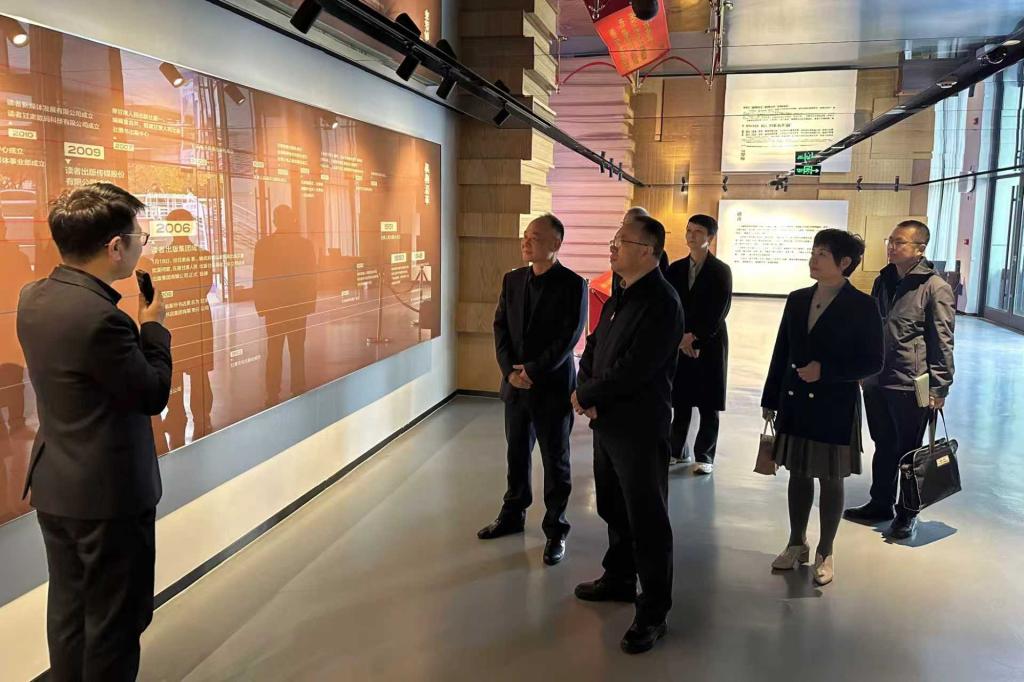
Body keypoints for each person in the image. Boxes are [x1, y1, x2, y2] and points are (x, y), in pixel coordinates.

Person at [17, 183, 172, 680]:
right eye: (139, 238)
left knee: (69, 613)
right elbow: (152, 394)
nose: (140, 246)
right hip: (107, 497)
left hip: (56, 485)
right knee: (115, 624)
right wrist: (154, 327)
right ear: (115, 247)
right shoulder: (103, 319)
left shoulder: (32, 297)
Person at [572, 214, 684, 654]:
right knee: (614, 506)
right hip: (607, 421)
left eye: (622, 241)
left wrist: (588, 394)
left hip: (639, 426)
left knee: (647, 520)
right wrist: (583, 389)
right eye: (614, 239)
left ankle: (653, 612)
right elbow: (595, 347)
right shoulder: (622, 291)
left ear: (648, 251)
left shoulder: (662, 302)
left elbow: (635, 369)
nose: (613, 247)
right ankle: (619, 577)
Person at [761, 230, 883, 586]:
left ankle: (826, 550)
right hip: (795, 398)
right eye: (813, 252)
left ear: (844, 263)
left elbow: (873, 361)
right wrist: (770, 398)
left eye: (822, 254)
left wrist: (825, 371)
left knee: (831, 478)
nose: (813, 259)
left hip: (835, 403)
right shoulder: (797, 299)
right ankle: (796, 542)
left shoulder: (863, 306)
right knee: (798, 473)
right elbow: (782, 350)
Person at [478, 213, 587, 565]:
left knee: (556, 461)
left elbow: (569, 337)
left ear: (556, 243)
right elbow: (500, 327)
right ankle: (513, 514)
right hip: (515, 386)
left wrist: (534, 370)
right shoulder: (513, 280)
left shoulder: (573, 284)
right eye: (525, 235)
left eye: (536, 237)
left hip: (551, 387)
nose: (527, 242)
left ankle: (556, 528)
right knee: (516, 454)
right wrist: (509, 371)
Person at [844, 220, 955, 539]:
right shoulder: (883, 280)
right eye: (890, 240)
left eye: (900, 242)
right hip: (877, 379)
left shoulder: (935, 287)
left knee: (909, 452)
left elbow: (942, 340)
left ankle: (907, 513)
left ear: (920, 249)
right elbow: (872, 327)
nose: (891, 247)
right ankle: (880, 503)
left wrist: (939, 386)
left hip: (911, 382)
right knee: (883, 444)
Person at [665, 214, 732, 474]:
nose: (691, 236)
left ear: (710, 237)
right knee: (680, 399)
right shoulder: (676, 269)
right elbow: (670, 305)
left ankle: (705, 455)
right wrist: (680, 337)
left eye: (698, 232)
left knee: (708, 402)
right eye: (689, 230)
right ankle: (676, 450)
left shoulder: (720, 270)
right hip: (680, 340)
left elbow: (720, 309)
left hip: (710, 342)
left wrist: (695, 338)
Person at [150, 209, 215, 447]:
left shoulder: (162, 258)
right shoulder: (202, 255)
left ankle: (176, 415)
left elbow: (160, 290)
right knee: (199, 373)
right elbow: (204, 287)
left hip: (174, 321)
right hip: (196, 320)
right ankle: (202, 415)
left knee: (175, 373)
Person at [253, 205, 317, 407]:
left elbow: (259, 277)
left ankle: (273, 392)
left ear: (274, 220)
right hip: (296, 306)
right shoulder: (304, 245)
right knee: (296, 349)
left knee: (275, 350)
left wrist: (261, 305)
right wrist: (309, 304)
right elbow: (311, 277)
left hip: (275, 307)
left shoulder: (264, 245)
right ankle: (297, 387)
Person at [611, 207, 669, 295]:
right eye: (623, 224)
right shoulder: (620, 260)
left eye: (630, 225)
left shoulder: (658, 255)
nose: (613, 249)